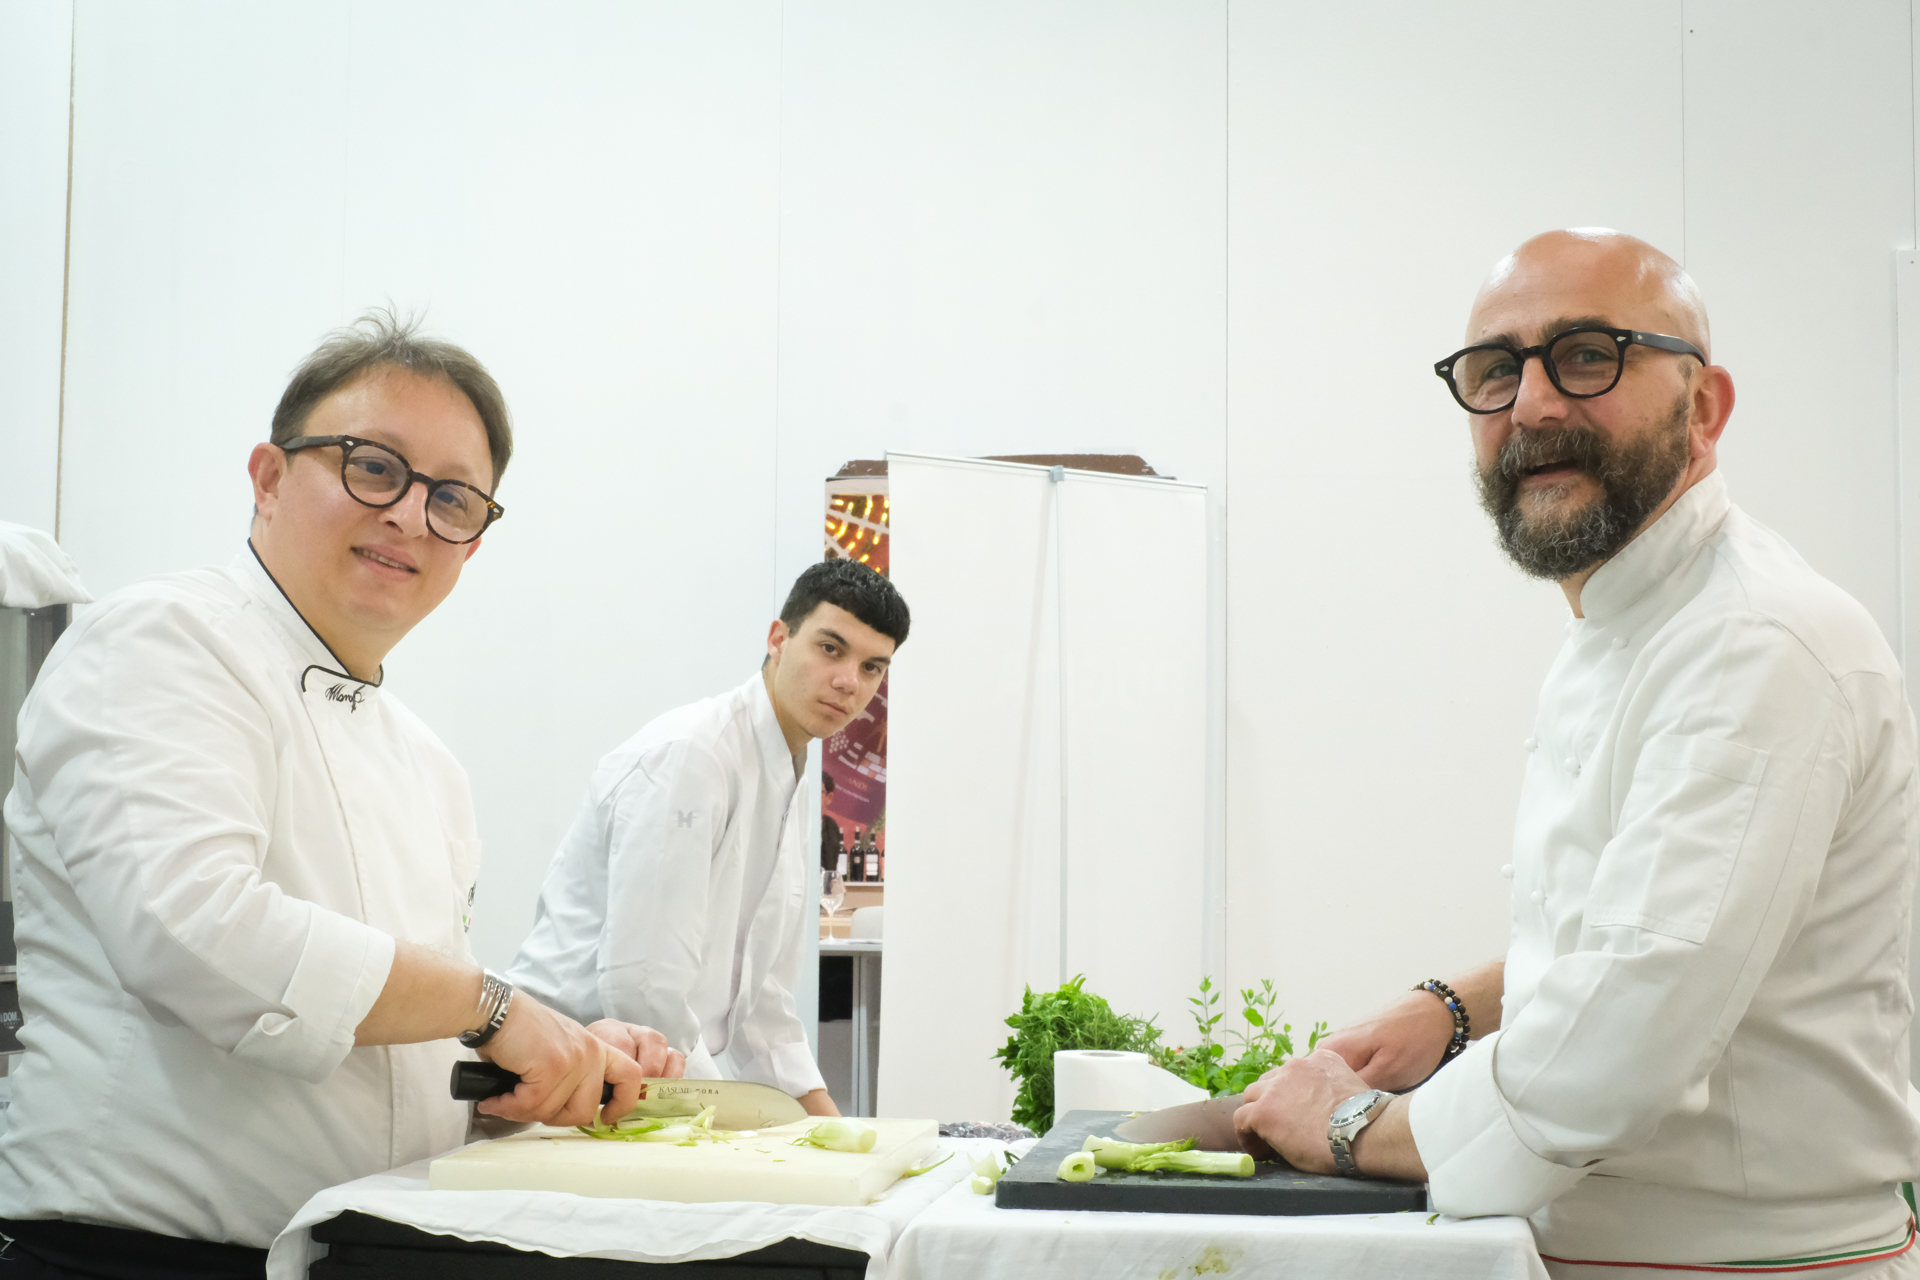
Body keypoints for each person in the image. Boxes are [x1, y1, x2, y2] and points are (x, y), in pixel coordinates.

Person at [1234, 230, 1920, 1276]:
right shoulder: (1628, 620)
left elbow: (1621, 1044)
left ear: (1704, 408)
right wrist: (1456, 1008)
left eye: (1588, 355)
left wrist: (1348, 1122)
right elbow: (1642, 923)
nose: (1534, 405)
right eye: (1495, 370)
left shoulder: (1756, 642)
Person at [0, 313, 681, 1279]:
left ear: (472, 545)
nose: (410, 515)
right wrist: (495, 1007)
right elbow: (192, 933)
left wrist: (545, 1068)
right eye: (374, 466)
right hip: (130, 1255)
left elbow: (392, 1051)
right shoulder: (161, 639)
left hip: (350, 1250)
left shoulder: (427, 762)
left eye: (453, 498)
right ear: (269, 478)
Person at [508, 559, 909, 1116]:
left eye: (872, 667)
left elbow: (760, 1001)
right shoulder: (694, 755)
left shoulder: (788, 772)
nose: (849, 682)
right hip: (563, 1078)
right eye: (830, 649)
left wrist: (832, 1128)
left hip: (647, 1082)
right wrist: (719, 1119)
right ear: (778, 639)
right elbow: (644, 990)